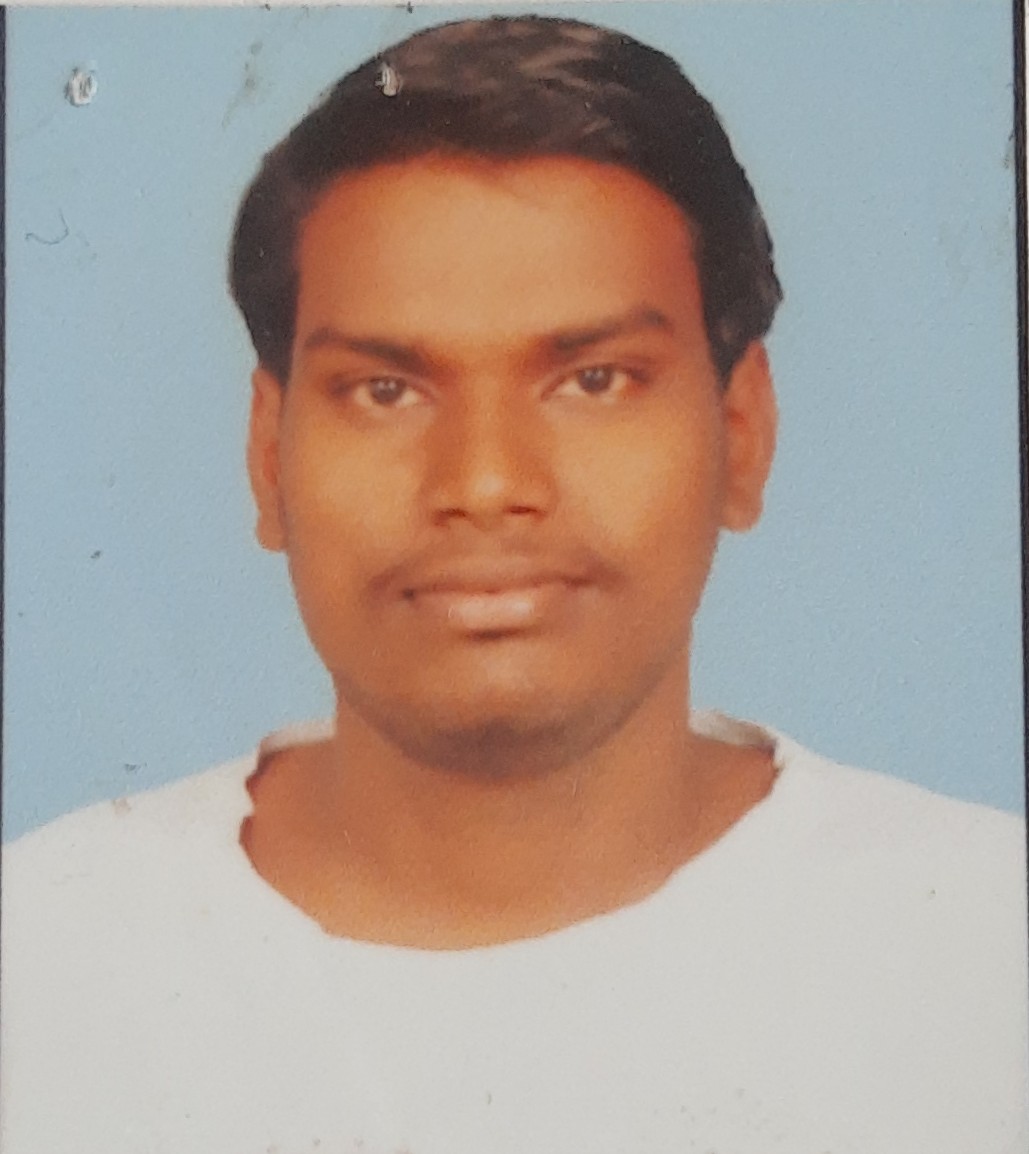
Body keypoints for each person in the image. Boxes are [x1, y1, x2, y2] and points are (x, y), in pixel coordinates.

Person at [2, 15, 1025, 1154]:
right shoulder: (42, 959)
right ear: (266, 456)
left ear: (742, 433)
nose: (485, 484)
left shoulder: (982, 947)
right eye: (385, 391)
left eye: (594, 380)